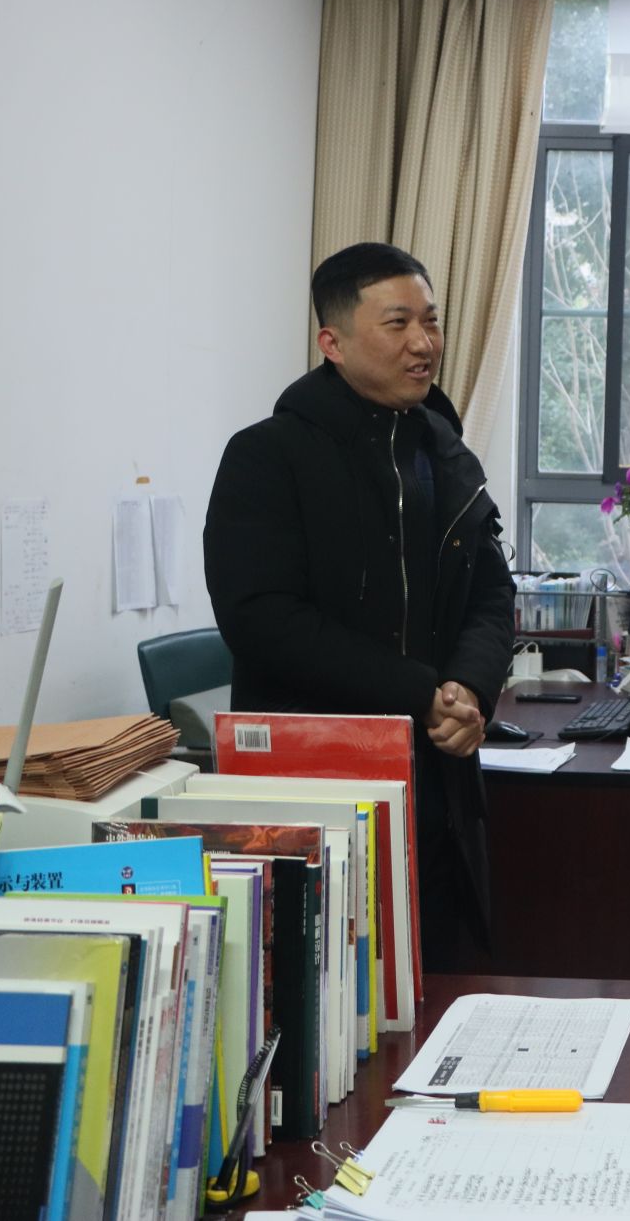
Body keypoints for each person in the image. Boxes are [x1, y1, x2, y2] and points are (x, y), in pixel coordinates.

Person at [204, 242, 514, 972]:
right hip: (313, 787)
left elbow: (491, 591)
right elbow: (262, 619)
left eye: (431, 321)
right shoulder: (267, 457)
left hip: (437, 780)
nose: (424, 342)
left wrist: (469, 688)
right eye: (397, 323)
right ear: (333, 342)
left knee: (437, 981)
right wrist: (418, 691)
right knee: (322, 991)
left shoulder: (443, 450)